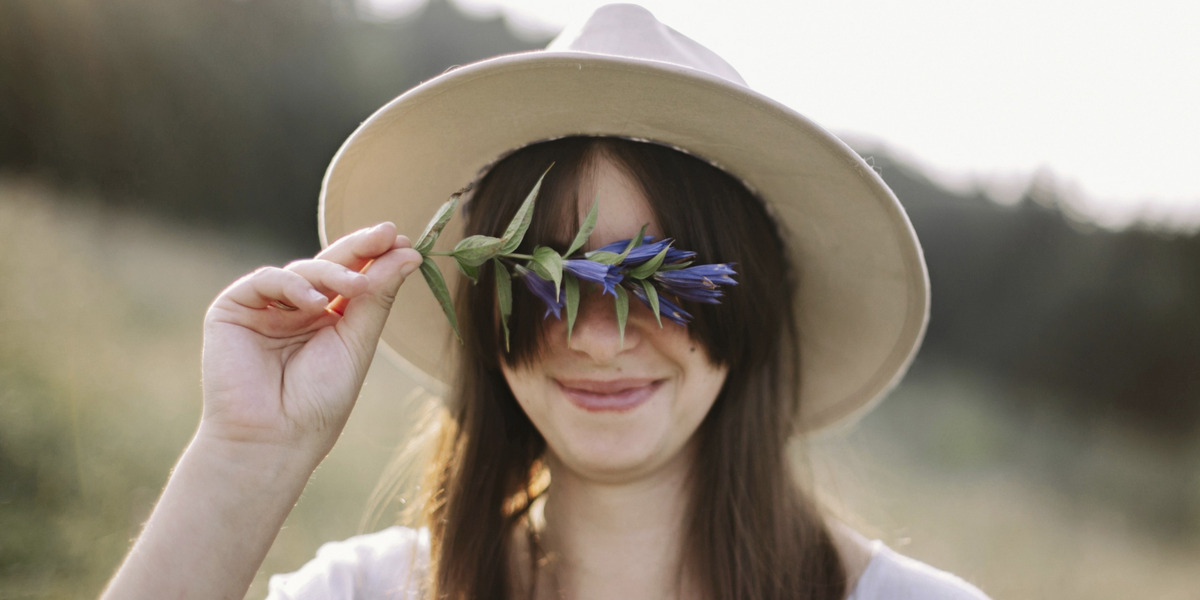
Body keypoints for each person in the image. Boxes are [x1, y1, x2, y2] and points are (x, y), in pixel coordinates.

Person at [103, 5, 990, 599]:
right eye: (547, 279)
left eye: (657, 280)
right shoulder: (367, 593)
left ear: (748, 304)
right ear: (483, 309)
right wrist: (246, 456)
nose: (599, 339)